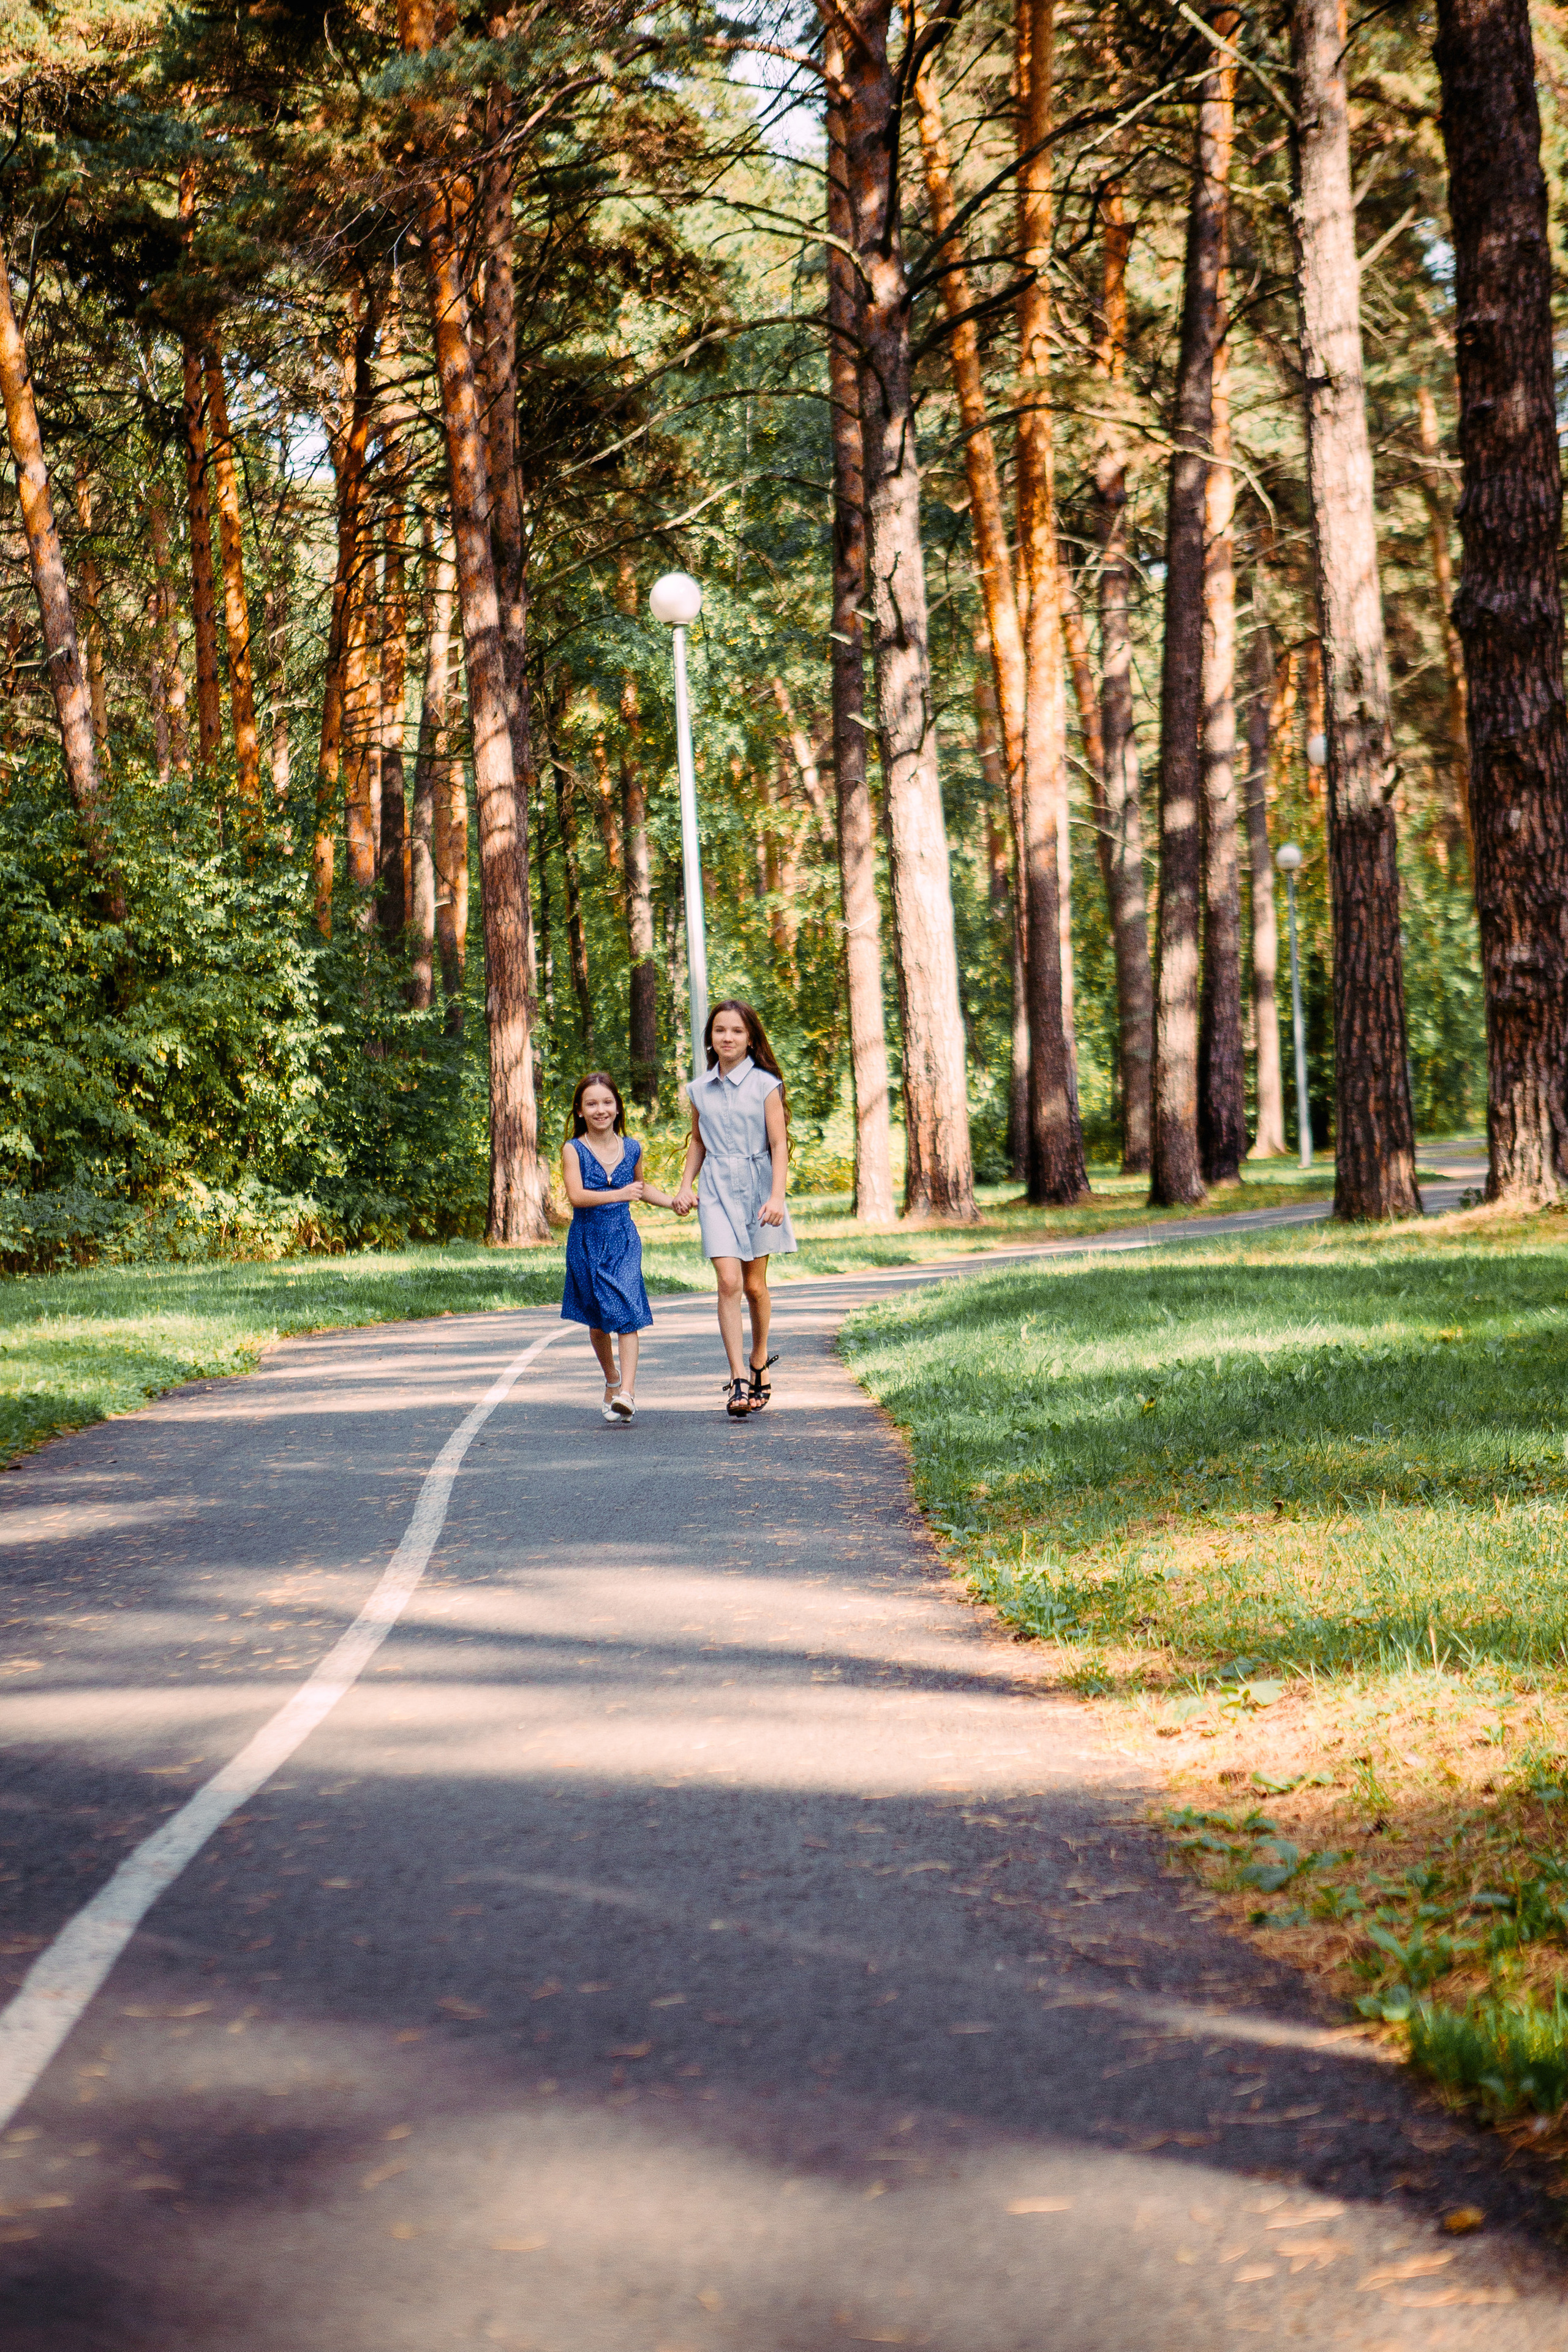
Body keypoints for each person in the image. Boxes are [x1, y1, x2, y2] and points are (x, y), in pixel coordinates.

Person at [672, 999, 796, 1419]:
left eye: (737, 1031)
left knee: (754, 1286)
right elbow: (699, 1142)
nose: (727, 1037)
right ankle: (738, 1376)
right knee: (728, 1282)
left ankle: (759, 1358)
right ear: (711, 1037)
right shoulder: (698, 1089)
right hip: (717, 1190)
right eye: (720, 1030)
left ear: (750, 1038)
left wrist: (777, 1196)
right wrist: (685, 1186)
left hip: (759, 1188)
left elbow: (778, 1144)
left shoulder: (766, 1085)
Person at [560, 1072, 674, 1424]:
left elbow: (642, 1187)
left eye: (607, 1102)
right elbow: (576, 1196)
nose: (600, 1110)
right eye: (591, 1103)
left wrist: (674, 1202)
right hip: (586, 1241)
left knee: (625, 1309)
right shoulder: (573, 1149)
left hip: (624, 1240)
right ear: (580, 1110)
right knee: (598, 1321)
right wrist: (619, 1194)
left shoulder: (633, 1147)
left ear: (617, 1106)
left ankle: (628, 1393)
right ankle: (612, 1379)